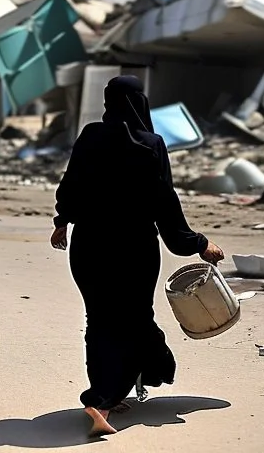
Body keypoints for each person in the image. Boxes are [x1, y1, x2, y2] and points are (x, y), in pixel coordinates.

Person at [50, 75, 224, 436]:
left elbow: (72, 183)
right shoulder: (151, 144)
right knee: (132, 318)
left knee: (100, 320)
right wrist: (197, 243)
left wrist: (62, 222)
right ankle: (106, 400)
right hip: (133, 250)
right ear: (139, 103)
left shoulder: (90, 137)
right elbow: (165, 202)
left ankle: (111, 392)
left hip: (89, 248)